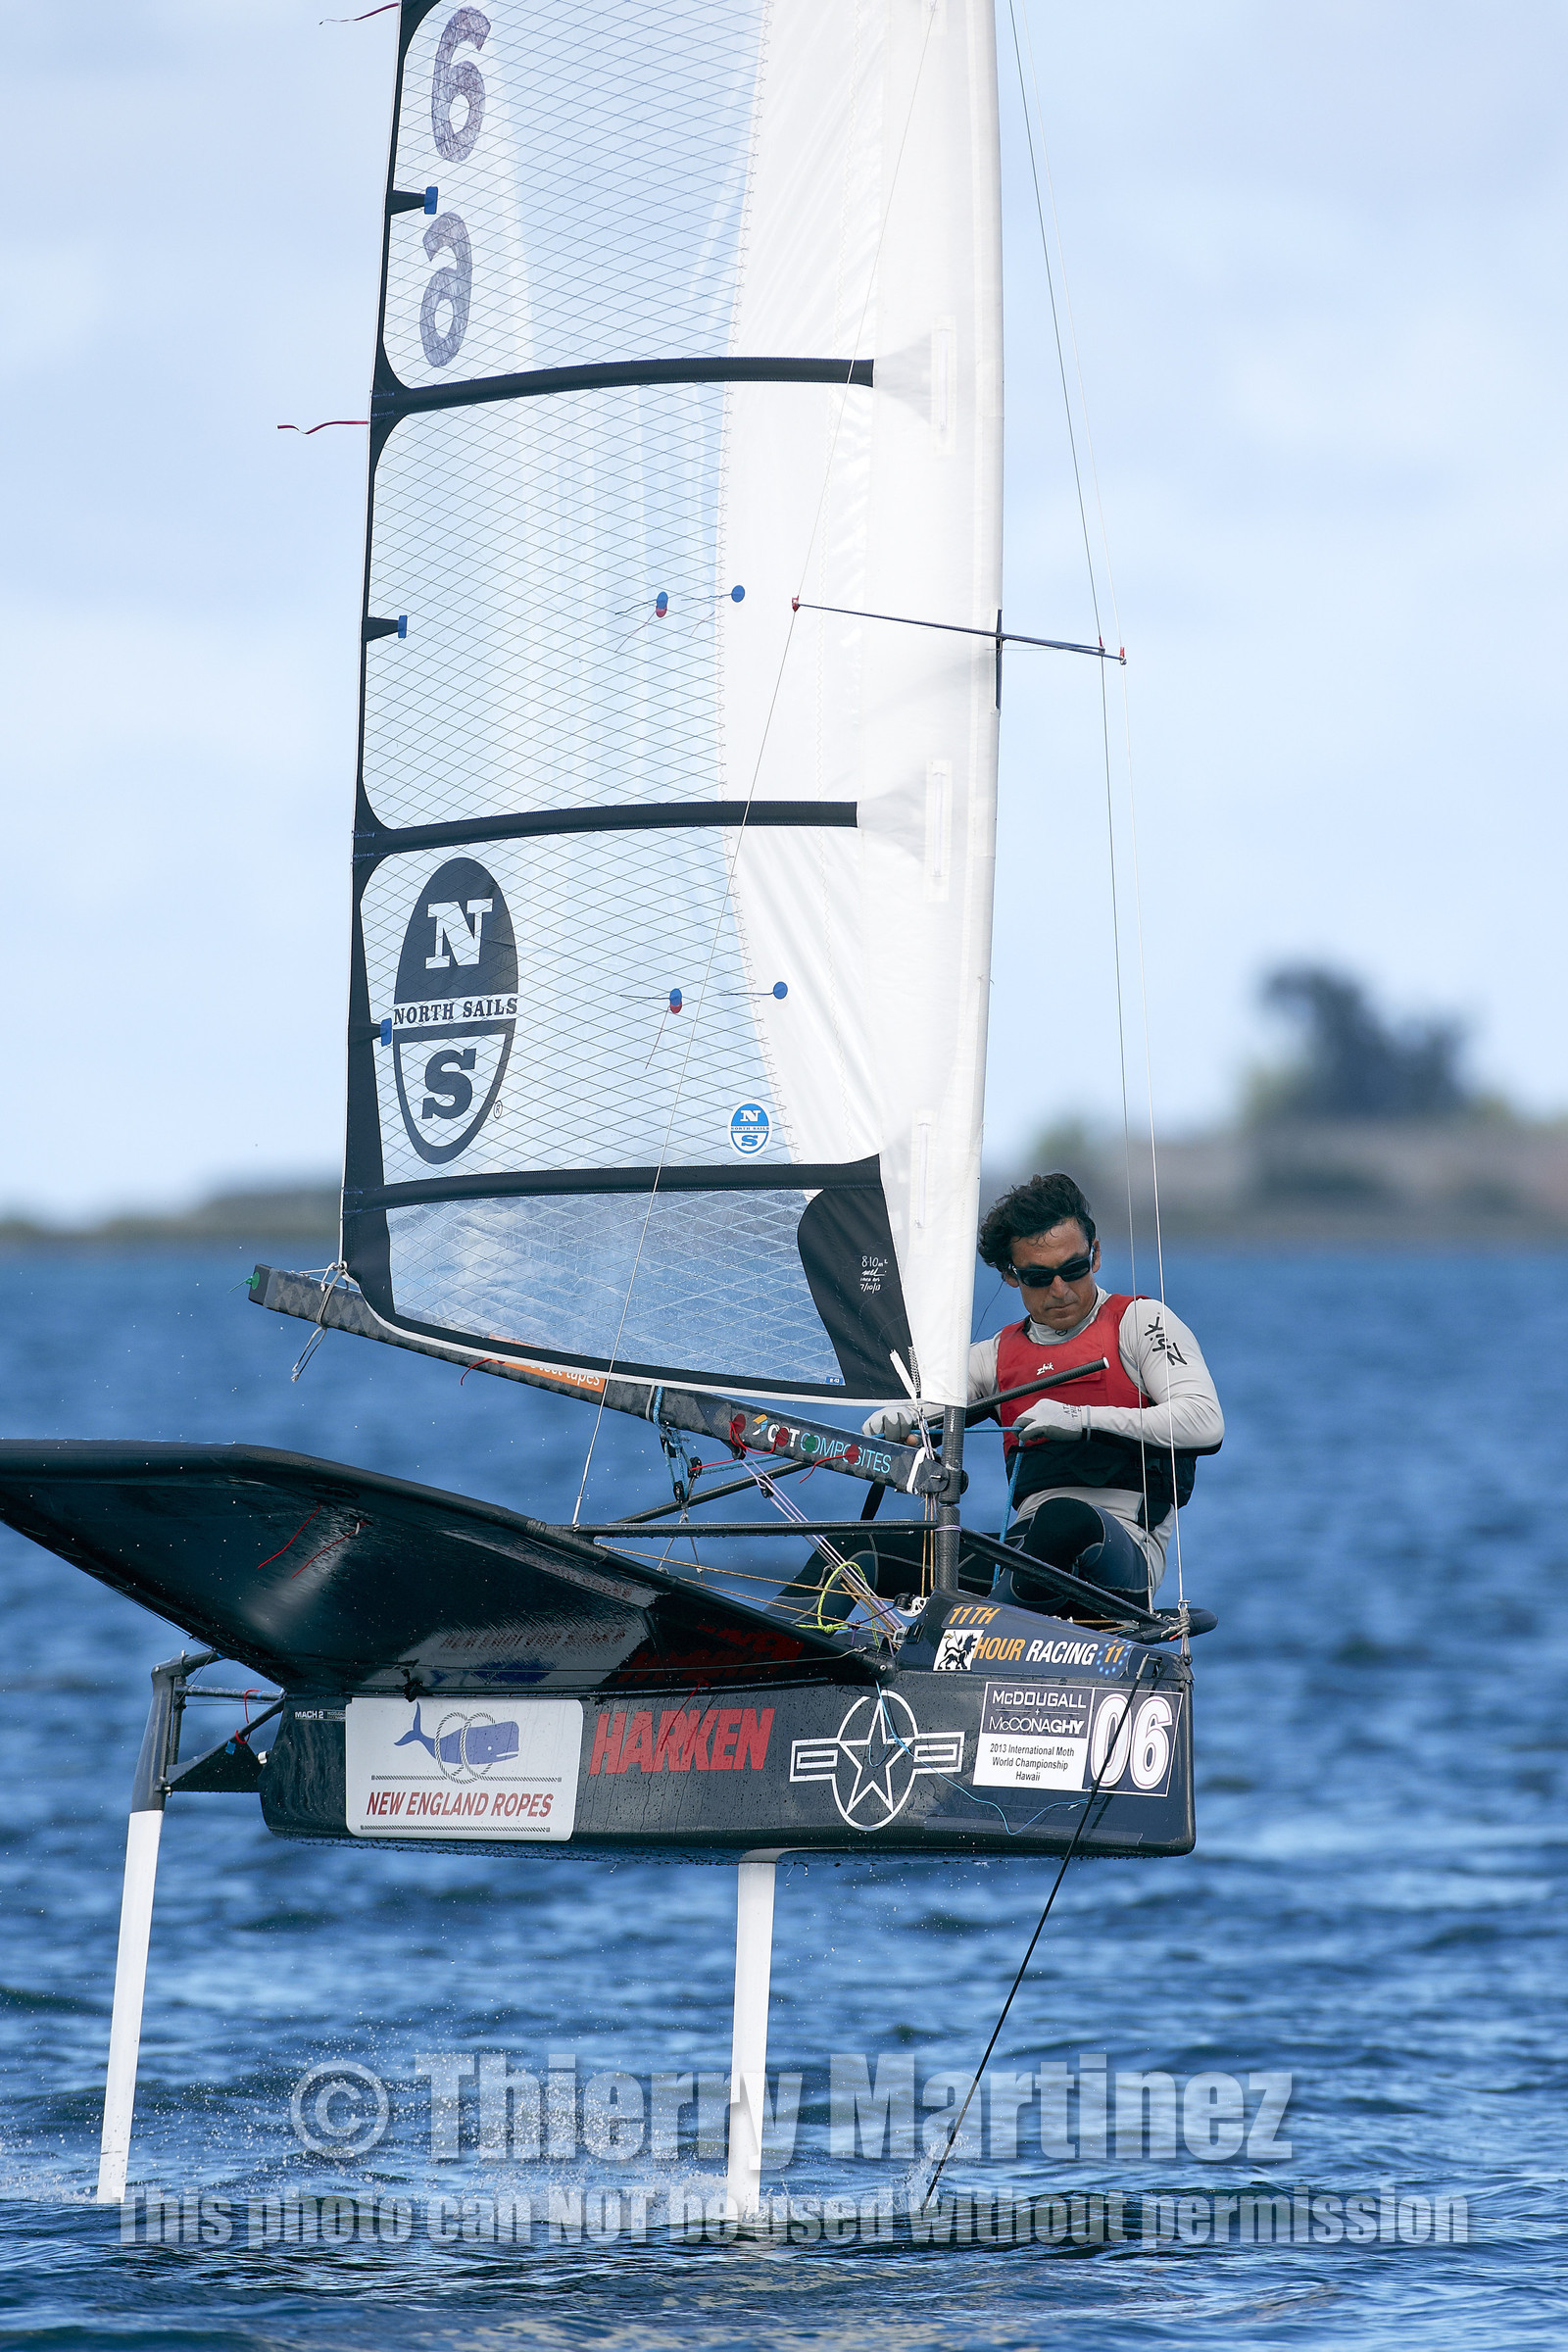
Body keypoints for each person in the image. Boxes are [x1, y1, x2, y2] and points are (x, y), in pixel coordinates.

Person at [863, 1172, 1223, 1607]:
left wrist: (1080, 1420)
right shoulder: (994, 1357)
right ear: (1010, 1275)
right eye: (1039, 1276)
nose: (1060, 1290)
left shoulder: (1143, 1323)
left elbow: (1204, 1422)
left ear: (1095, 1256)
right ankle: (790, 1645)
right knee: (858, 1550)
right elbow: (927, 1408)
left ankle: (976, 1630)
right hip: (1021, 1552)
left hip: (1121, 1558)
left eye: (1073, 1269)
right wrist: (900, 1419)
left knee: (1063, 1517)